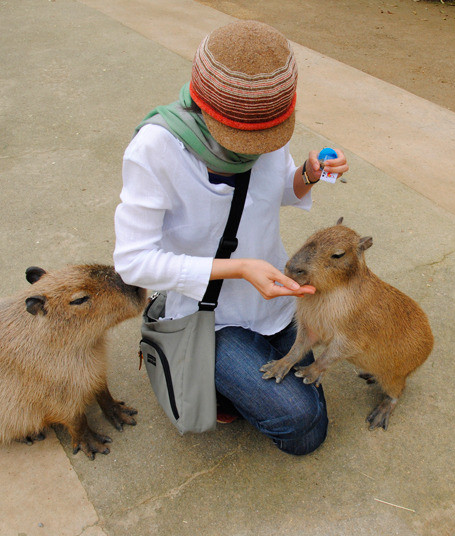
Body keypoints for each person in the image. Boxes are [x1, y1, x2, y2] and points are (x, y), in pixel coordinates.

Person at [113, 20, 348, 455]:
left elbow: (274, 190)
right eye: (244, 137)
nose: (257, 147)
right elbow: (133, 261)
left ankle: (230, 381)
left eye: (266, 136)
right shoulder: (155, 150)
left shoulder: (265, 124)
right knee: (303, 429)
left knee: (309, 416)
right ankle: (176, 342)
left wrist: (309, 173)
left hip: (273, 299)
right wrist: (238, 268)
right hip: (210, 314)